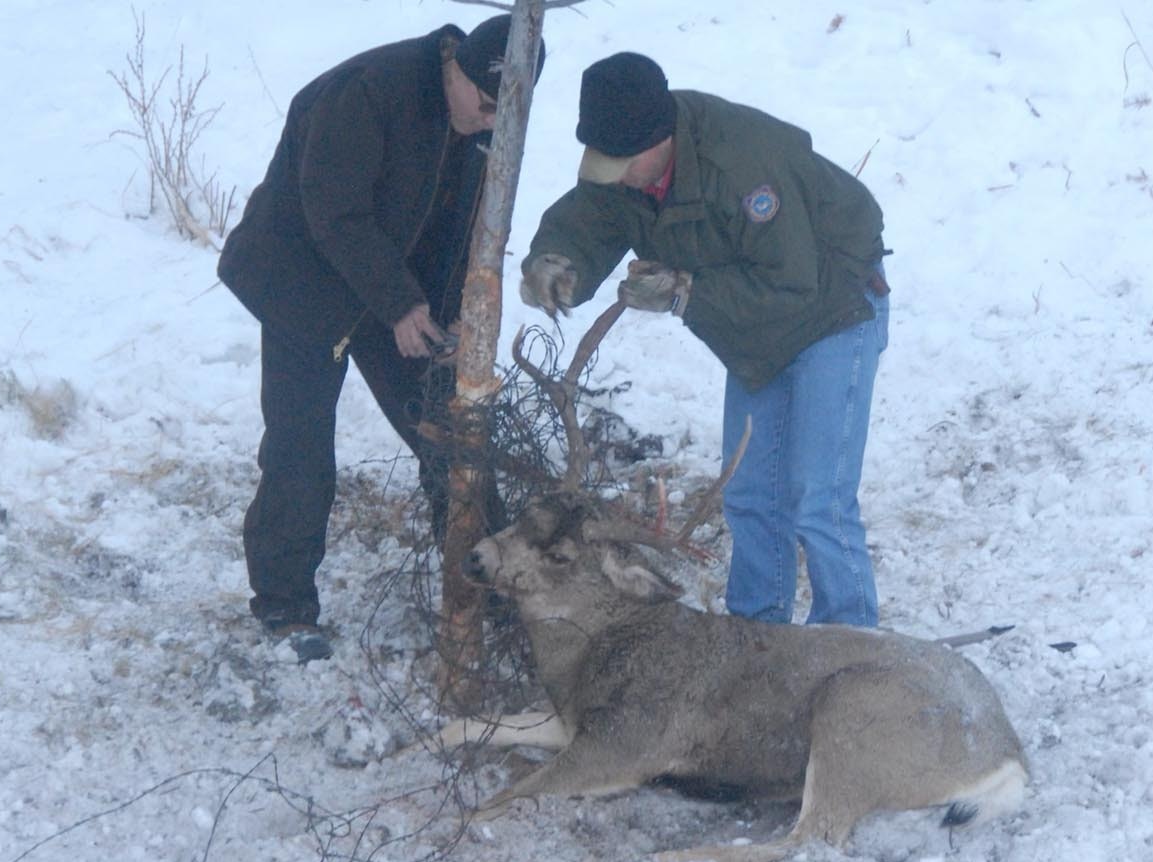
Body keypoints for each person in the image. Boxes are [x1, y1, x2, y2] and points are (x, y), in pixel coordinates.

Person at [519, 52, 890, 627]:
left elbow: (793, 282)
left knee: (818, 498)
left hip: (832, 309)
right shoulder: (631, 165)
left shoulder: (745, 167)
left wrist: (683, 293)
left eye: (619, 163)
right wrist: (557, 259)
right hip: (755, 331)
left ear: (657, 141)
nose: (612, 175)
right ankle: (754, 637)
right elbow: (591, 215)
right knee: (748, 495)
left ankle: (850, 644)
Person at [217, 16, 544, 657]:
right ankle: (285, 607)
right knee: (301, 444)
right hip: (304, 280)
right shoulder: (370, 92)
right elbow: (333, 209)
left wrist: (448, 315)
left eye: (501, 116)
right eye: (483, 106)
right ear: (460, 71)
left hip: (399, 293)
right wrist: (397, 301)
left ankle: (483, 591)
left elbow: (463, 225)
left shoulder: (485, 124)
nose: (487, 123)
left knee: (450, 433)